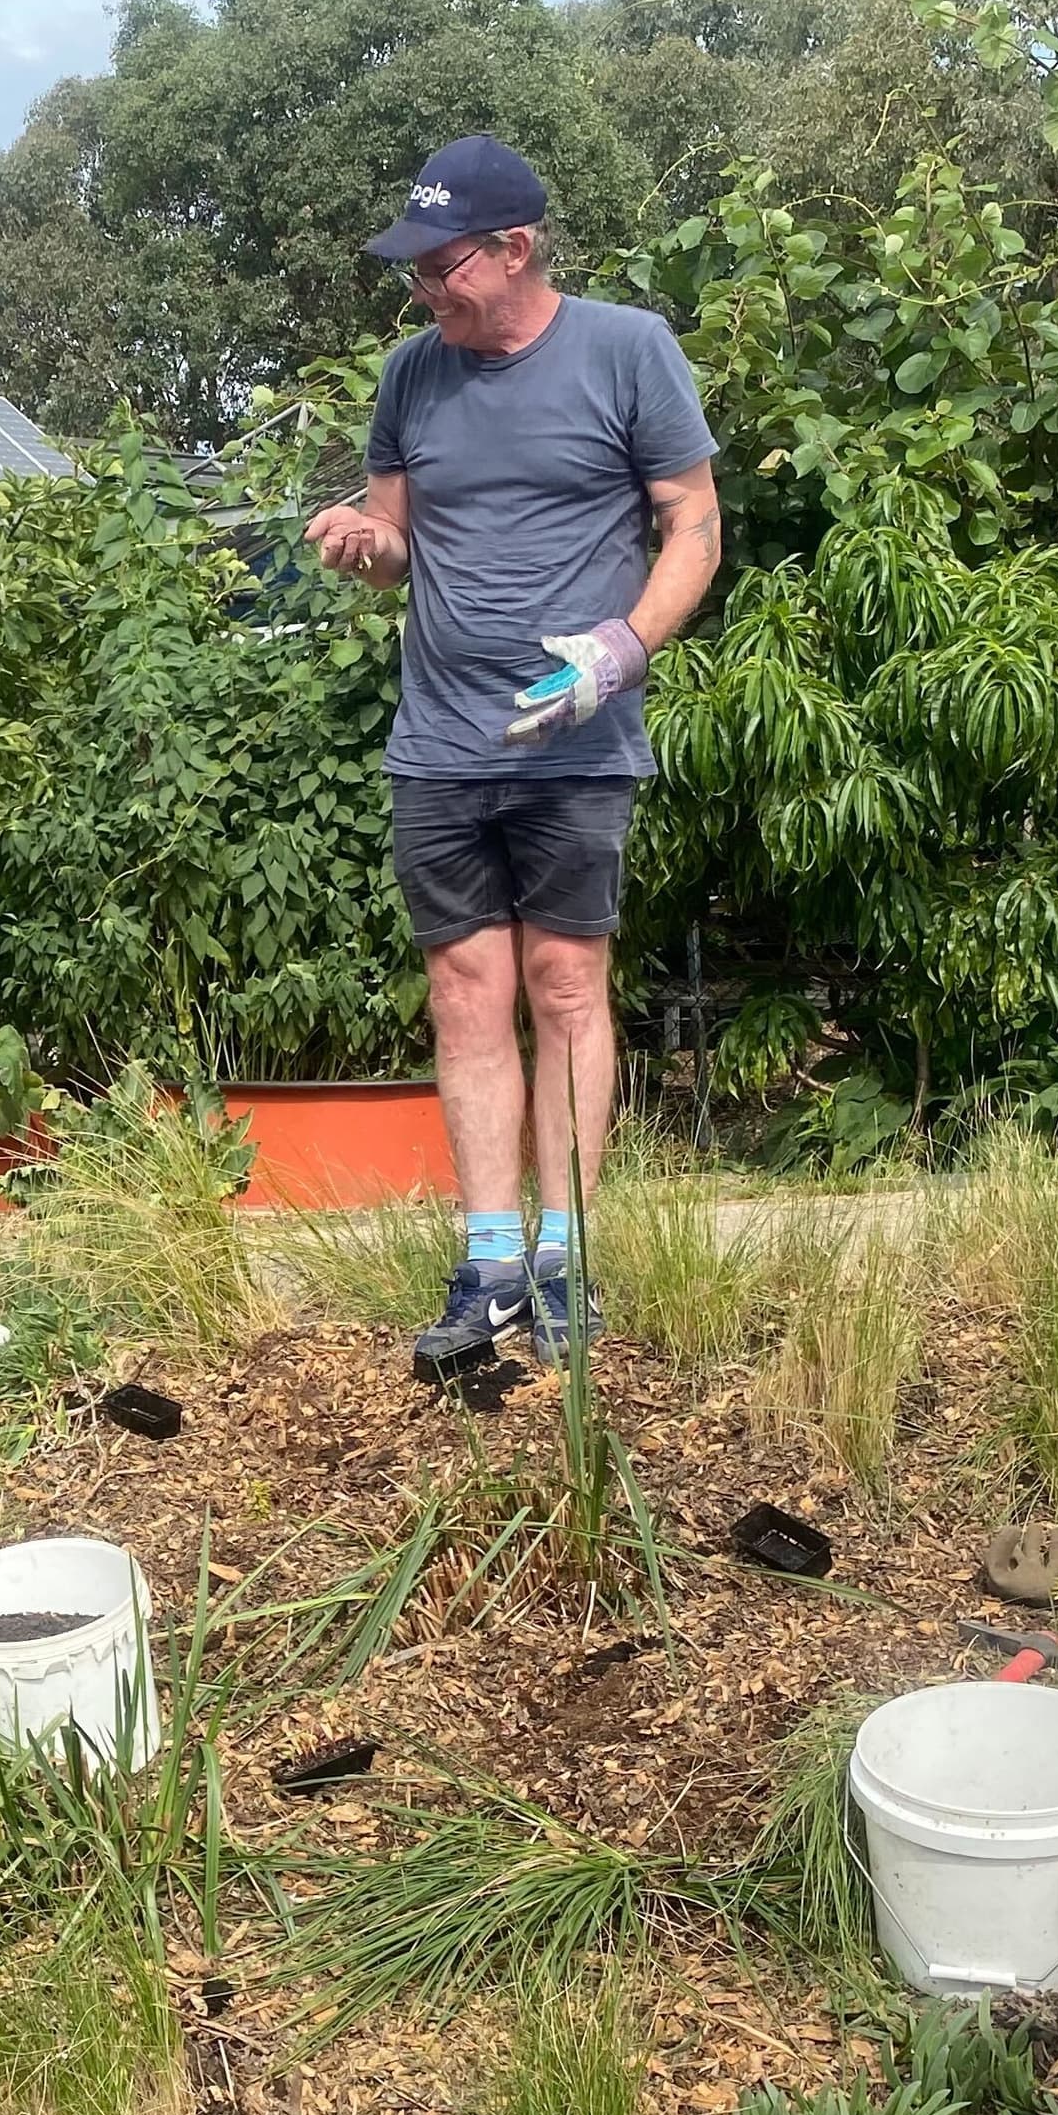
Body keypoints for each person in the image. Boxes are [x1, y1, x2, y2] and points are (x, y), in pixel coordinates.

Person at [302, 133, 724, 1379]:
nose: (423, 291)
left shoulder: (628, 349)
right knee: (464, 995)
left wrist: (622, 651)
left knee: (566, 990)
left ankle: (564, 1264)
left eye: (440, 267)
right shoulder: (409, 376)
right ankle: (488, 1265)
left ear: (516, 249)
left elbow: (694, 524)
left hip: (576, 741)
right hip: (439, 743)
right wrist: (357, 544)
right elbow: (397, 543)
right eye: (415, 272)